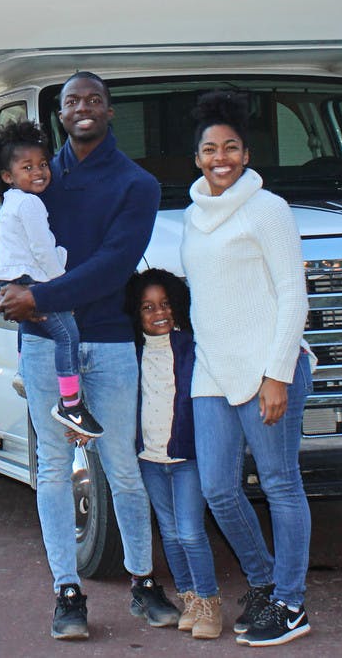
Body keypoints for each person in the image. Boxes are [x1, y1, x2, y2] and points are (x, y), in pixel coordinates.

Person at [0, 72, 179, 641]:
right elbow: (8, 246)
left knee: (123, 467)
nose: (83, 108)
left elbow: (113, 267)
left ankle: (143, 583)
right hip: (45, 346)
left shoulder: (136, 184)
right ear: (61, 113)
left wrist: (38, 296)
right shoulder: (38, 178)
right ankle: (67, 593)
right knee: (52, 468)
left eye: (93, 100)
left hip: (110, 342)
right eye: (72, 101)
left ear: (110, 110)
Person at [181, 90, 315, 648]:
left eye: (231, 147)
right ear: (196, 158)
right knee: (217, 489)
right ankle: (263, 581)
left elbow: (293, 293)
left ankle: (290, 602)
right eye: (210, 149)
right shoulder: (191, 215)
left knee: (281, 485)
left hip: (267, 370)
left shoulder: (268, 209)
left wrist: (277, 372)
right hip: (212, 372)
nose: (221, 158)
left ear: (246, 153)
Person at [0, 118, 102, 439]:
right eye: (27, 167)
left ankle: (23, 372)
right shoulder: (31, 203)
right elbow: (43, 250)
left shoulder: (11, 202)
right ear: (8, 176)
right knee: (67, 336)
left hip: (4, 279)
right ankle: (71, 404)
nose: (38, 172)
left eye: (43, 164)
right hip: (25, 281)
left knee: (29, 324)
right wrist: (64, 289)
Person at [125, 268, 222, 640]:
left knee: (190, 532)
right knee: (168, 531)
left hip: (186, 457)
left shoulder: (191, 348)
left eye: (165, 304)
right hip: (150, 458)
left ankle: (209, 601)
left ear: (179, 306)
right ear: (136, 314)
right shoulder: (133, 354)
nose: (158, 313)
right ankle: (190, 599)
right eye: (147, 307)